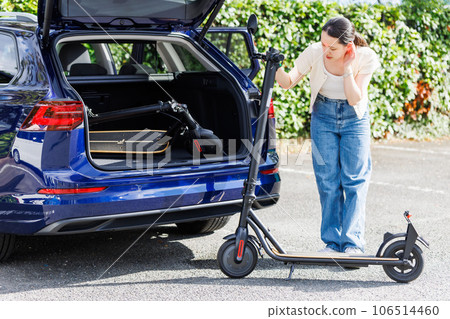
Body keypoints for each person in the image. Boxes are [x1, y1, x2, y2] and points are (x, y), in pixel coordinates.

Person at [275, 16, 380, 254]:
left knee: (354, 181)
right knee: (328, 181)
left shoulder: (366, 57)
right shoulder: (315, 52)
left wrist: (347, 69)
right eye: (323, 44)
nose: (326, 50)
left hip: (355, 118)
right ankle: (332, 243)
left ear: (349, 46)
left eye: (332, 47)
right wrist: (276, 65)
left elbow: (355, 98)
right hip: (323, 116)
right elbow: (288, 82)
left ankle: (352, 244)